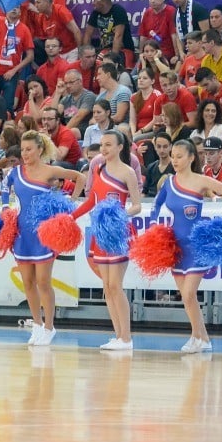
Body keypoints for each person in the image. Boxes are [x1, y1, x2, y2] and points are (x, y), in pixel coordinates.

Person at [151, 138, 222, 352]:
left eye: (179, 156)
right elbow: (157, 204)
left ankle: (197, 337)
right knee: (186, 297)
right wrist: (154, 224)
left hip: (197, 246)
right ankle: (202, 338)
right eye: (173, 156)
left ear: (191, 157)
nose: (175, 160)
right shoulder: (169, 182)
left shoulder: (201, 181)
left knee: (189, 293)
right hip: (176, 246)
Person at [2, 130, 85, 346]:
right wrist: (4, 208)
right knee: (27, 282)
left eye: (29, 149)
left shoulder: (50, 171)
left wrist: (71, 205)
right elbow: (5, 188)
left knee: (43, 282)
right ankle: (37, 325)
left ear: (40, 149)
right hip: (21, 233)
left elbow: (80, 177)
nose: (25, 153)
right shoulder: (16, 172)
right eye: (22, 149)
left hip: (43, 235)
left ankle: (49, 327)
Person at [70, 131, 142, 350]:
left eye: (109, 144)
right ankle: (118, 335)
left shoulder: (128, 172)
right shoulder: (98, 168)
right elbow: (92, 200)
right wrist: (70, 217)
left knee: (115, 286)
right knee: (106, 288)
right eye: (102, 145)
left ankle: (127, 338)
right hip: (100, 233)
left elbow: (137, 206)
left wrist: (119, 216)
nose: (103, 148)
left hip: (118, 232)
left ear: (120, 147)